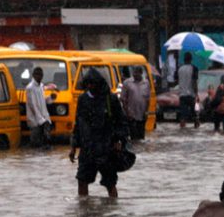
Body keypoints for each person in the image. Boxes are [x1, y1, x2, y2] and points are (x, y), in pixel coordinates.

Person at [68, 69, 129, 198]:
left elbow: (122, 122)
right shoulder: (83, 99)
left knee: (110, 183)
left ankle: (113, 209)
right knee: (82, 180)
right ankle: (84, 209)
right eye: (88, 84)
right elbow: (78, 124)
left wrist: (119, 141)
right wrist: (73, 147)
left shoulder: (110, 99)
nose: (90, 87)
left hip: (106, 149)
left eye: (93, 84)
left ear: (99, 84)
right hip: (87, 149)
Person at [25, 66, 53, 148]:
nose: (40, 76)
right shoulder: (30, 88)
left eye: (41, 75)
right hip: (35, 122)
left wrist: (51, 98)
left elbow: (42, 101)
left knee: (45, 146)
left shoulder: (41, 86)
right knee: (36, 146)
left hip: (44, 120)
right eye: (37, 75)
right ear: (33, 75)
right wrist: (41, 121)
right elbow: (33, 106)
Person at [121, 66, 151, 141]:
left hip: (142, 115)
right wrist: (128, 113)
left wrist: (146, 112)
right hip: (131, 115)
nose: (134, 75)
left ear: (141, 73)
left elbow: (148, 99)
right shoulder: (127, 83)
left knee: (141, 138)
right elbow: (123, 99)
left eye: (136, 73)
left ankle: (140, 151)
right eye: (134, 73)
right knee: (133, 138)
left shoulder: (146, 83)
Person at [176, 52, 199, 128]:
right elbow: (194, 82)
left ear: (184, 59)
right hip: (191, 95)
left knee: (182, 115)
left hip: (182, 95)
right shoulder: (194, 68)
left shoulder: (179, 69)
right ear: (191, 59)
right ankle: (196, 126)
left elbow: (176, 80)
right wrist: (196, 94)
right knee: (195, 115)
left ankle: (182, 128)